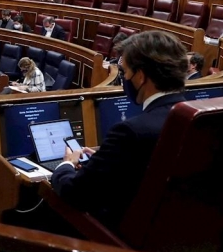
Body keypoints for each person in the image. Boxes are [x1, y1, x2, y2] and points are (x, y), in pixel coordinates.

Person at [52, 31, 187, 230]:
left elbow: (75, 193)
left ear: (140, 76)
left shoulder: (130, 132)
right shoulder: (197, 119)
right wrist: (107, 156)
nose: (124, 79)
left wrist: (66, 166)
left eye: (124, 72)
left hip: (120, 240)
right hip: (176, 232)